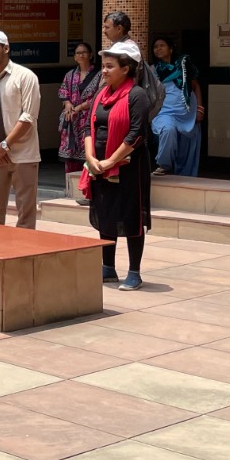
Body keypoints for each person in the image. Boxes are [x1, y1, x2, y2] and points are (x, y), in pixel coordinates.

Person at [84, 40, 153, 291]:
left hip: (129, 166)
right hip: (99, 165)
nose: (104, 71)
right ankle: (108, 267)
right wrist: (91, 159)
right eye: (103, 66)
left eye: (110, 66)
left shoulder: (137, 95)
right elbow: (88, 127)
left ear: (126, 69)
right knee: (105, 213)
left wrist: (112, 160)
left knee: (131, 216)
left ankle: (134, 272)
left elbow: (137, 134)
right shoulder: (101, 94)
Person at [0, 28, 41, 228]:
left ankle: (24, 248)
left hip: (24, 154)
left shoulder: (25, 77)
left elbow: (29, 116)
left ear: (6, 48)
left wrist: (5, 144)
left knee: (26, 214)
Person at [150, 35, 204, 177]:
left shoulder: (184, 66)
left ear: (171, 49)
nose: (158, 49)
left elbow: (195, 86)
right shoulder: (152, 70)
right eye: (155, 47)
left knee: (187, 147)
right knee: (168, 130)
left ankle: (185, 177)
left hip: (186, 112)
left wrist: (200, 109)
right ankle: (164, 165)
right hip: (164, 111)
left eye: (162, 45)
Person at [57, 41, 100, 203]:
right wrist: (68, 104)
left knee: (89, 153)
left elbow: (98, 95)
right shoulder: (70, 75)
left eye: (84, 52)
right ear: (74, 57)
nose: (81, 55)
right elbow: (63, 91)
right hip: (71, 119)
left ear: (90, 55)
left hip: (88, 118)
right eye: (78, 53)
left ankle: (88, 190)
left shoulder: (98, 74)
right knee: (70, 157)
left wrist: (80, 107)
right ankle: (71, 189)